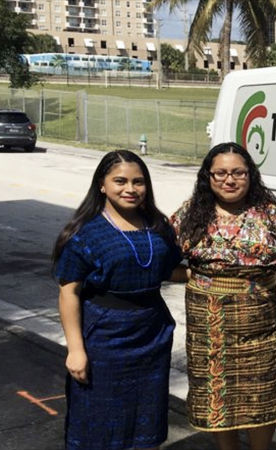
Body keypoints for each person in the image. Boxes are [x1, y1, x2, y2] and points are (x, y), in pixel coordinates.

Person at [52, 150, 184, 450]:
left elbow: (169, 270)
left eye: (139, 182)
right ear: (102, 184)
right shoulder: (84, 233)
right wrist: (75, 350)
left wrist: (214, 273)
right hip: (104, 339)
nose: (130, 189)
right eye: (120, 181)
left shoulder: (158, 226)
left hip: (152, 336)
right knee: (98, 421)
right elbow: (68, 292)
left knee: (146, 421)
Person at [170, 142, 276, 450]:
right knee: (216, 391)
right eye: (220, 173)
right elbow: (160, 257)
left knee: (262, 391)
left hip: (260, 323)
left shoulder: (270, 213)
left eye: (238, 172)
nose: (229, 180)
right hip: (208, 324)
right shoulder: (192, 213)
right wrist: (193, 276)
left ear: (250, 174)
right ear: (208, 177)